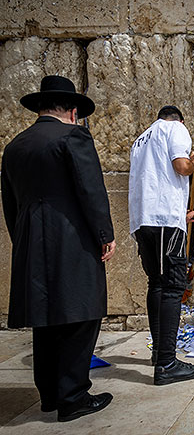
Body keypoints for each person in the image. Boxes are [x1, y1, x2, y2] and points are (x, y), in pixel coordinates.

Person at [1, 75, 116, 422]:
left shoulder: (15, 146)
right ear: (73, 110)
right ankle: (73, 396)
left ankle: (49, 394)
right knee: (82, 315)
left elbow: (10, 203)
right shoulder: (74, 136)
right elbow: (90, 190)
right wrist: (104, 234)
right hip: (71, 240)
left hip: (30, 240)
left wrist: (21, 238)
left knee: (46, 318)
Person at [129, 105, 194, 384]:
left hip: (144, 220)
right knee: (173, 286)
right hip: (163, 221)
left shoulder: (141, 139)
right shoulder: (175, 129)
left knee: (157, 284)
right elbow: (180, 167)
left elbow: (153, 181)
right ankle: (166, 364)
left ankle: (160, 354)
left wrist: (179, 215)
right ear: (180, 120)